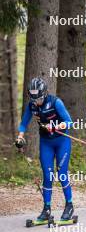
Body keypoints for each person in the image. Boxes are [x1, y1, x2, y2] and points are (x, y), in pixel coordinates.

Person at [16, 77, 74, 221]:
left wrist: (55, 127)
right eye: (34, 99)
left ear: (45, 93)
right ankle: (47, 209)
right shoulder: (32, 105)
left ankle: (69, 205)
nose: (37, 102)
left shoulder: (56, 102)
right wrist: (20, 136)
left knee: (61, 174)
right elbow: (24, 123)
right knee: (47, 176)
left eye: (39, 98)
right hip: (46, 143)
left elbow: (69, 122)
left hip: (62, 142)